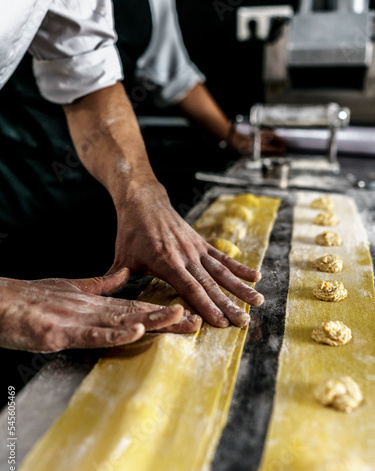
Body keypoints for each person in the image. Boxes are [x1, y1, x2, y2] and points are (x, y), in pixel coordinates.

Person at [0, 0, 283, 353]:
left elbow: (86, 74)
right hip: (14, 174)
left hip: (82, 180)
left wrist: (143, 193)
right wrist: (5, 302)